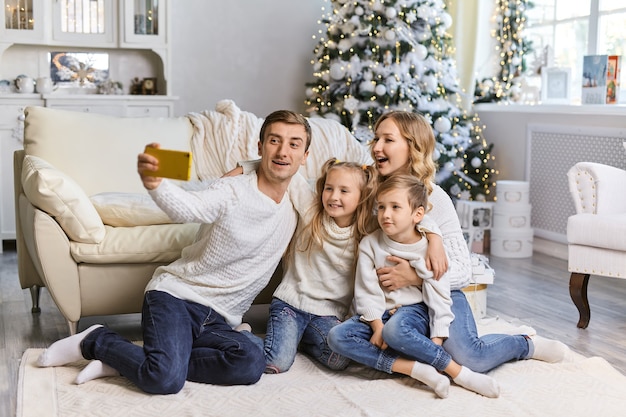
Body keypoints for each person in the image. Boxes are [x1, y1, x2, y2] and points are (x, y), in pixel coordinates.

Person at [36, 109, 312, 394]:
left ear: (304, 156)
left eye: (294, 144)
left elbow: (332, 200)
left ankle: (130, 361)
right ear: (260, 146)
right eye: (274, 141)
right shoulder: (233, 190)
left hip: (222, 318)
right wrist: (157, 184)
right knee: (165, 380)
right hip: (177, 297)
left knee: (251, 364)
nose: (283, 151)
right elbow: (190, 207)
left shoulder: (299, 195)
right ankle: (95, 341)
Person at [367, 111, 568, 374]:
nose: (377, 147)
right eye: (375, 138)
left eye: (388, 140)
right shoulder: (369, 194)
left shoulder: (435, 199)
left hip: (441, 293)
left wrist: (416, 276)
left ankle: (524, 344)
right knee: (357, 345)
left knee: (473, 359)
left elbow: (463, 270)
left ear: (413, 148)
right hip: (397, 303)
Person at [329, 174, 500, 398]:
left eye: (395, 207)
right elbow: (366, 293)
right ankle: (417, 370)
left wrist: (437, 339)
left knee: (395, 330)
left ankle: (458, 373)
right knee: (337, 336)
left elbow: (439, 297)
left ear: (417, 214)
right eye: (381, 207)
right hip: (380, 315)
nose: (386, 215)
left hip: (415, 311)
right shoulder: (370, 244)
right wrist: (377, 326)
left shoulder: (427, 248)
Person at [263, 158, 378, 374]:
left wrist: (434, 237)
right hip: (291, 305)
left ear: (362, 197)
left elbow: (405, 213)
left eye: (344, 191)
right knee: (276, 361)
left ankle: (301, 338)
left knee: (339, 360)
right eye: (329, 188)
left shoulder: (367, 233)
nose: (334, 197)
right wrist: (245, 165)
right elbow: (288, 172)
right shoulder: (312, 212)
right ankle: (242, 335)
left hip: (327, 314)